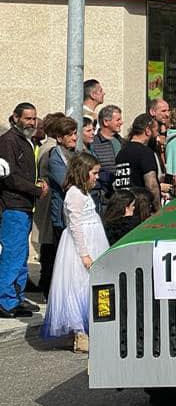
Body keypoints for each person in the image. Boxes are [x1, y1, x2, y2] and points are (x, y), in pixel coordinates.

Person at [40, 152, 109, 352]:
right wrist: (84, 254)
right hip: (82, 244)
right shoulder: (74, 194)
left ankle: (92, 327)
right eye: (94, 173)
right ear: (83, 172)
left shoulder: (84, 193)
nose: (97, 177)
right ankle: (80, 332)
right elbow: (75, 225)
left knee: (90, 285)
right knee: (78, 286)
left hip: (94, 240)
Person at [0, 103, 47, 317]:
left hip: (25, 205)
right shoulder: (8, 141)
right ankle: (5, 301)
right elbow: (8, 176)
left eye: (34, 118)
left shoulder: (26, 141)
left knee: (21, 256)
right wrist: (35, 189)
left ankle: (16, 298)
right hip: (13, 206)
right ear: (16, 118)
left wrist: (39, 183)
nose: (32, 122)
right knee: (13, 254)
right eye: (28, 118)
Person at [40, 116, 79, 298]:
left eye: (75, 133)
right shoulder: (55, 156)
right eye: (69, 135)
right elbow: (66, 183)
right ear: (59, 137)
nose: (74, 138)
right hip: (62, 216)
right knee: (60, 256)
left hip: (74, 213)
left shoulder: (73, 153)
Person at [112, 114, 162, 213]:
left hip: (122, 207)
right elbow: (151, 185)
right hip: (140, 208)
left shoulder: (121, 153)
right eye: (156, 131)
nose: (157, 136)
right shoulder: (145, 152)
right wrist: (158, 210)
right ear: (148, 131)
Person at [91, 104, 123, 196]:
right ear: (106, 122)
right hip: (104, 196)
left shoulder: (123, 142)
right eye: (118, 120)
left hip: (123, 195)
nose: (121, 122)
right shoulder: (94, 144)